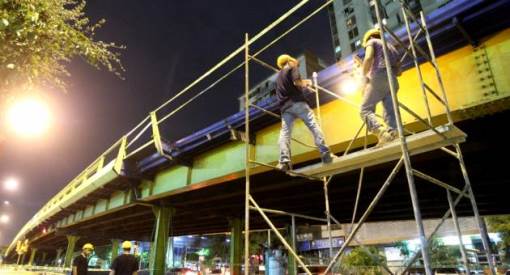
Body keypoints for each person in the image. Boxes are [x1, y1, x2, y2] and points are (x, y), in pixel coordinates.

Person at [275, 54, 336, 171]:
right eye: (294, 62)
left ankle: (283, 161)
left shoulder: (278, 78)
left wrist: (303, 85)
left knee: (285, 134)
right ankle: (325, 154)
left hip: (285, 108)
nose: (295, 64)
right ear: (289, 61)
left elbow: (287, 89)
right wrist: (307, 82)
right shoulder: (292, 68)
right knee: (313, 125)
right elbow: (297, 82)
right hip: (298, 103)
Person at [359, 28, 402, 145]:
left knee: (365, 110)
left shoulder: (372, 42)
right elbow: (399, 71)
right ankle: (394, 133)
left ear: (370, 37)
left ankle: (381, 133)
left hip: (379, 77)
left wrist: (363, 75)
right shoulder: (392, 47)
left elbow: (368, 58)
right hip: (393, 80)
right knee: (389, 109)